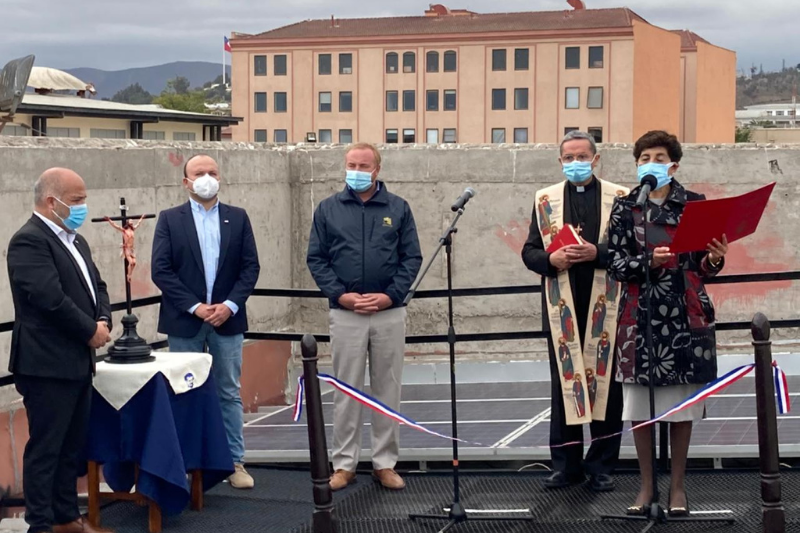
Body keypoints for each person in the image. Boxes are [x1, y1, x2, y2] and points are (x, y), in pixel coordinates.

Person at [608, 130, 728, 516]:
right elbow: (614, 264)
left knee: (681, 409)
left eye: (659, 157)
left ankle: (678, 489)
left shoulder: (694, 205)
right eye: (644, 157)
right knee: (640, 408)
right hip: (638, 318)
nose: (651, 163)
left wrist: (715, 258)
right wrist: (649, 263)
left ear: (674, 164)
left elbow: (703, 267)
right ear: (636, 164)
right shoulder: (625, 206)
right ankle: (645, 487)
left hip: (684, 315)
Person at [307, 142, 422, 491]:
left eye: (364, 165)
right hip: (346, 314)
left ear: (377, 169)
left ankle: (384, 463)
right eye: (351, 164)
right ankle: (344, 465)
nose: (357, 170)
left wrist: (389, 296)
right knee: (347, 390)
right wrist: (341, 295)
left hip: (389, 312)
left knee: (388, 388)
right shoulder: (328, 209)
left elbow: (411, 258)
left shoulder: (398, 208)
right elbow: (317, 260)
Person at [8, 168, 113, 533]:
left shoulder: (75, 240)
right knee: (47, 449)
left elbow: (95, 285)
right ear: (51, 202)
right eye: (77, 201)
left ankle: (66, 518)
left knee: (71, 448)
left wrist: (104, 321)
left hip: (78, 362)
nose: (83, 208)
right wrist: (89, 332)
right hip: (46, 364)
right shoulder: (29, 241)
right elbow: (49, 298)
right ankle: (41, 524)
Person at [522, 131, 628, 492]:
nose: (575, 163)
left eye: (582, 157)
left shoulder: (620, 198)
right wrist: (550, 259)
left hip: (606, 305)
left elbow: (629, 252)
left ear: (596, 159)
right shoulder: (544, 200)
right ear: (560, 161)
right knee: (564, 387)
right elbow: (529, 252)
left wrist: (596, 253)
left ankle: (601, 466)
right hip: (561, 307)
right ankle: (566, 466)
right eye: (568, 158)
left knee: (607, 389)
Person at [152, 154, 260, 489]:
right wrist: (195, 307)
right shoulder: (170, 219)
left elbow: (250, 268)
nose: (207, 177)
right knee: (181, 390)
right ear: (186, 181)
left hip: (227, 321)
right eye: (199, 173)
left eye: (212, 172)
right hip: (185, 322)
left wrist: (228, 305)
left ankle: (234, 461)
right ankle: (184, 464)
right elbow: (161, 270)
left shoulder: (237, 218)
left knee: (228, 391)